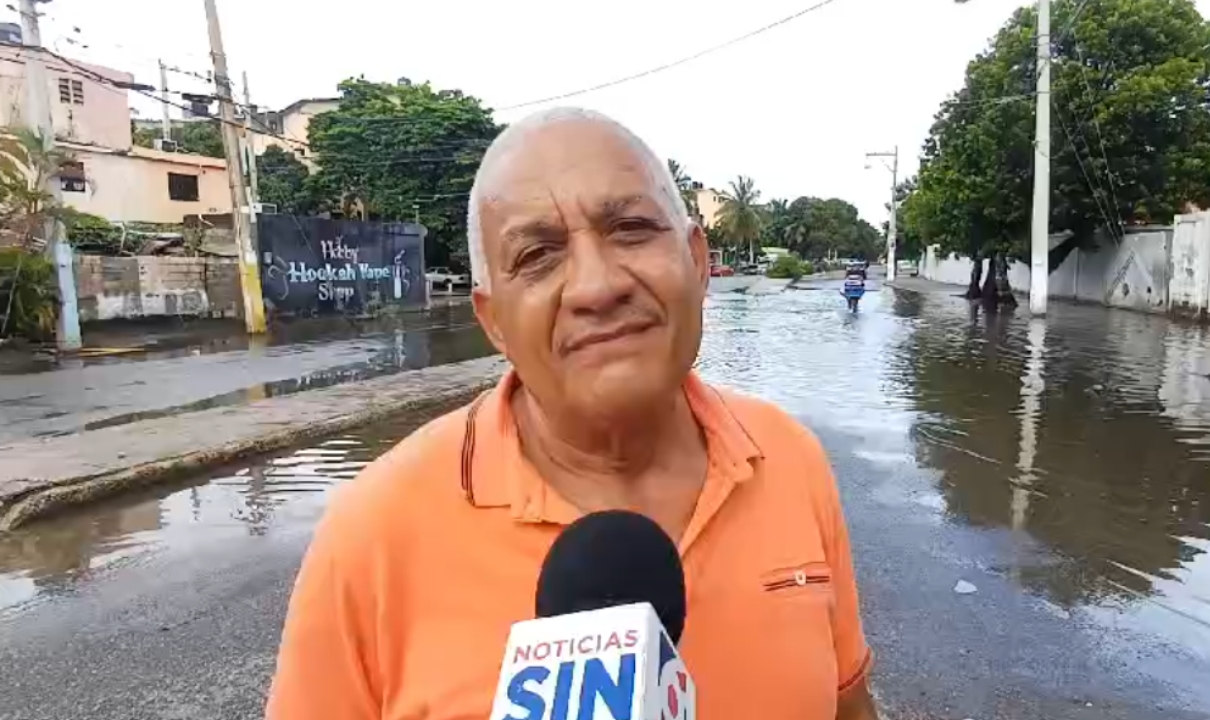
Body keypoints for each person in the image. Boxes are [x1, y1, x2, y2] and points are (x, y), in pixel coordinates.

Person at [266, 107, 880, 720]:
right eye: (537, 255)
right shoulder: (371, 535)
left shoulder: (789, 459)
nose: (595, 287)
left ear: (697, 261)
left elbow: (847, 703)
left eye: (632, 229)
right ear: (494, 321)